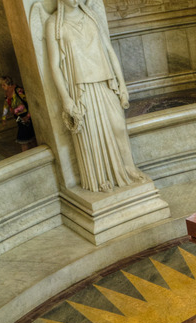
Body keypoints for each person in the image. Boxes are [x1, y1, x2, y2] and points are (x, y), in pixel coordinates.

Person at [43, 0, 145, 192]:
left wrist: (122, 84)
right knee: (92, 134)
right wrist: (66, 98)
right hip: (81, 88)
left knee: (118, 126)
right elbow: (54, 65)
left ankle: (129, 168)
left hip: (105, 81)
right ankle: (101, 178)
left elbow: (109, 50)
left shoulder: (90, 14)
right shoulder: (54, 24)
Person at [0, 76, 36, 151]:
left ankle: (26, 157)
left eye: (3, 85)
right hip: (18, 118)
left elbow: (28, 101)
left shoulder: (18, 90)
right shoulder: (6, 94)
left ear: (8, 84)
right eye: (1, 85)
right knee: (31, 138)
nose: (2, 87)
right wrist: (4, 118)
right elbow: (5, 106)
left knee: (23, 140)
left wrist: (28, 115)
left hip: (26, 117)